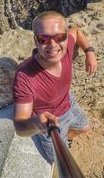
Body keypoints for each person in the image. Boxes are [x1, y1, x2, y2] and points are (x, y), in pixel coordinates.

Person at [13, 10, 98, 163]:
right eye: (44, 38)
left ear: (65, 38)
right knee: (59, 161)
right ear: (36, 41)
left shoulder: (66, 49)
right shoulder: (24, 76)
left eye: (59, 37)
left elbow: (76, 32)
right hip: (49, 122)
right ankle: (62, 141)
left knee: (85, 128)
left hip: (69, 103)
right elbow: (19, 125)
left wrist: (89, 52)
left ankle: (67, 138)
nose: (53, 45)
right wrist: (36, 123)